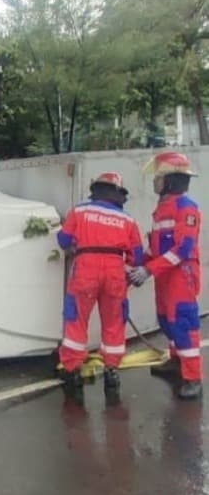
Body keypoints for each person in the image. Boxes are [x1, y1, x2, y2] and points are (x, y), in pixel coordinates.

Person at [57, 172, 144, 402]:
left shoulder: (79, 211)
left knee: (76, 320)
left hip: (86, 267)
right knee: (114, 323)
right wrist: (126, 268)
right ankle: (112, 373)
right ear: (119, 195)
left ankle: (72, 371)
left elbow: (64, 240)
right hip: (115, 271)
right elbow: (137, 256)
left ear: (95, 190)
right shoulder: (128, 220)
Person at [128, 152, 202, 400]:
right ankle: (175, 361)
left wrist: (148, 269)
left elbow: (182, 249)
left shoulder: (186, 208)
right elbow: (155, 247)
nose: (154, 183)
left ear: (170, 181)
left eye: (158, 178)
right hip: (165, 274)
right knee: (166, 320)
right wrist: (137, 265)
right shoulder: (162, 209)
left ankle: (193, 378)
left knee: (182, 323)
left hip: (181, 274)